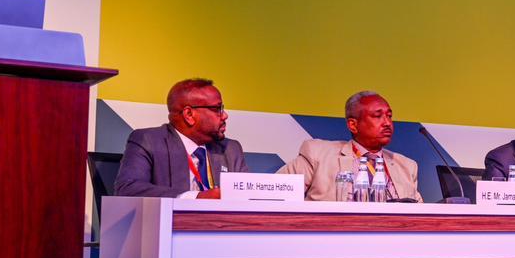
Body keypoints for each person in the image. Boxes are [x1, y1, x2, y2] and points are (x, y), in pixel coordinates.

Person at [114, 78, 249, 199]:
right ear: (189, 115)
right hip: (169, 219)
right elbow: (128, 189)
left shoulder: (230, 149)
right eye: (217, 109)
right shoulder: (149, 141)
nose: (224, 115)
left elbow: (248, 196)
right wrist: (196, 197)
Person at [279, 91, 421, 201]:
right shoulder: (317, 155)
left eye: (389, 116)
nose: (387, 123)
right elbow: (277, 194)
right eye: (377, 116)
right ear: (353, 125)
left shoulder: (406, 166)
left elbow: (420, 215)